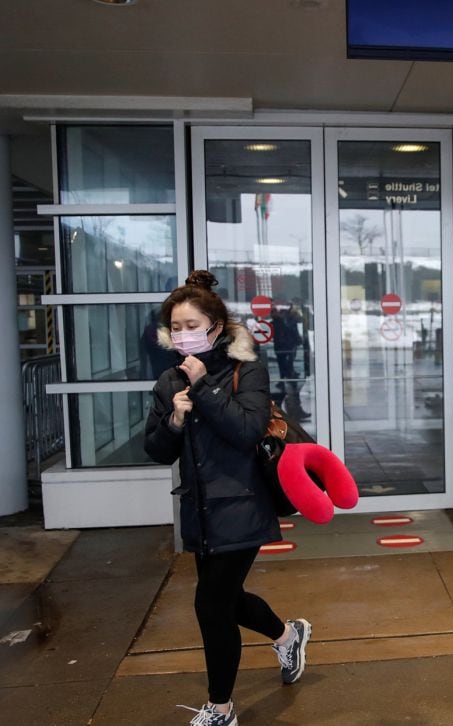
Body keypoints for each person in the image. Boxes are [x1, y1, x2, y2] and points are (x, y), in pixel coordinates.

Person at [144, 270, 311, 726]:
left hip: (243, 504)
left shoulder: (247, 371)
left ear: (216, 328)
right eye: (175, 328)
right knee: (227, 598)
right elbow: (157, 451)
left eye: (192, 326)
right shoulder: (166, 382)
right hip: (199, 511)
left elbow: (246, 431)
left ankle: (220, 708)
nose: (183, 335)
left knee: (210, 604)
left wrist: (204, 387)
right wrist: (174, 421)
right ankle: (286, 635)